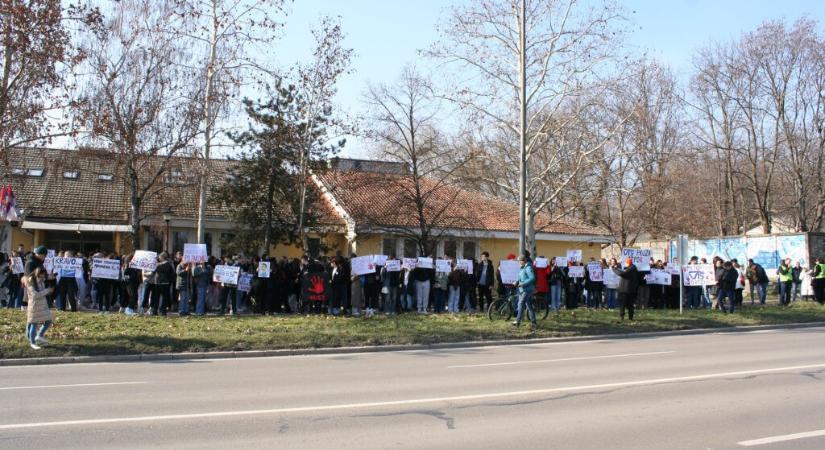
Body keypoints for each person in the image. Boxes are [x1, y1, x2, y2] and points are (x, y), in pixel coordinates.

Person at [25, 267, 54, 350]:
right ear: (38, 274)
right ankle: (32, 343)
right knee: (34, 323)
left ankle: (40, 335)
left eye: (43, 276)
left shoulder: (41, 281)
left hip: (43, 305)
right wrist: (47, 290)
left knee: (48, 320)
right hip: (34, 306)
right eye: (41, 275)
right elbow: (35, 295)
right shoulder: (30, 281)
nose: (43, 277)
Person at [511, 255, 537, 329]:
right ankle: (534, 322)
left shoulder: (528, 267)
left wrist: (523, 283)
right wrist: (516, 282)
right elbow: (520, 278)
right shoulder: (521, 268)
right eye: (518, 261)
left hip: (527, 289)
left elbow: (532, 278)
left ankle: (518, 321)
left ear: (523, 261)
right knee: (529, 306)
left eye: (519, 261)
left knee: (520, 303)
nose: (518, 262)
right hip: (522, 290)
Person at [615, 258, 639, 322]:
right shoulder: (633, 268)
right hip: (630, 290)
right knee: (630, 305)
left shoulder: (630, 269)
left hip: (624, 290)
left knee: (622, 304)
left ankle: (622, 317)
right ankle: (630, 318)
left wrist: (614, 269)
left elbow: (622, 274)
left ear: (628, 263)